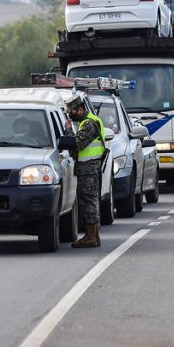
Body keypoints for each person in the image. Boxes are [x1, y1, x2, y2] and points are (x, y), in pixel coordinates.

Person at [64, 94, 105, 248]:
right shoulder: (85, 122)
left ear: (80, 109)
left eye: (72, 112)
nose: (71, 115)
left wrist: (68, 131)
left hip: (89, 168)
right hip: (87, 167)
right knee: (87, 200)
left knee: (88, 200)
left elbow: (76, 144)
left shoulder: (88, 124)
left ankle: (91, 237)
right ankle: (92, 235)